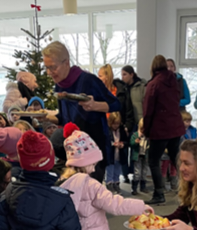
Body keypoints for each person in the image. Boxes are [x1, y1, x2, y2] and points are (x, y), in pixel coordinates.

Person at [42, 41, 121, 183]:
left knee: (92, 195)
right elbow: (63, 118)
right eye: (47, 68)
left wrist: (94, 105)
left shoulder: (88, 80)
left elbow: (116, 104)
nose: (49, 73)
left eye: (53, 67)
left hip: (93, 148)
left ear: (66, 63)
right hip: (74, 150)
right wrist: (46, 117)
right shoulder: (59, 86)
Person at [143, 55, 185, 205]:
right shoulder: (175, 81)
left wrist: (145, 130)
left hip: (160, 128)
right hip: (175, 127)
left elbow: (148, 111)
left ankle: (159, 193)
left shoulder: (153, 84)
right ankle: (191, 189)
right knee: (177, 160)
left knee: (154, 160)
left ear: (153, 67)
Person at [106, 112, 128, 194]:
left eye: (117, 124)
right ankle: (109, 185)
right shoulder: (107, 130)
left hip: (119, 155)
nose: (116, 125)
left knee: (117, 172)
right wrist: (112, 144)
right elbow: (105, 142)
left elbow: (126, 141)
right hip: (110, 155)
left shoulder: (122, 130)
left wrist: (122, 144)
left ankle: (116, 184)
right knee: (110, 171)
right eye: (114, 124)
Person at [121, 65, 146, 132]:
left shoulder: (141, 87)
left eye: (125, 74)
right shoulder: (123, 89)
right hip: (128, 122)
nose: (122, 77)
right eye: (122, 75)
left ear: (131, 75)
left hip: (139, 121)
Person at [130, 118, 150, 196]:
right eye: (142, 129)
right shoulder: (135, 135)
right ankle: (134, 188)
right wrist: (135, 142)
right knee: (137, 172)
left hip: (145, 155)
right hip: (137, 156)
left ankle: (143, 186)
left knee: (144, 172)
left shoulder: (147, 136)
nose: (143, 131)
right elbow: (131, 143)